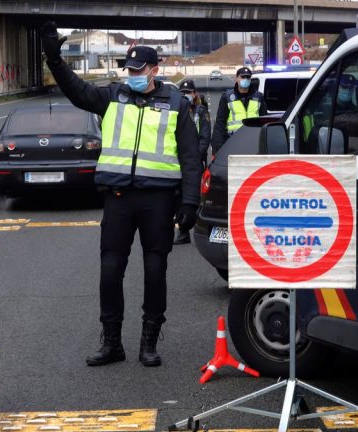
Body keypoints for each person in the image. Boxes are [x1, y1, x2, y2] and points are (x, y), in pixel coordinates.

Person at [41, 22, 201, 367]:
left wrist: (190, 201)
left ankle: (149, 343)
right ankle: (112, 342)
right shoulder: (114, 96)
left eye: (138, 70)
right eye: (128, 70)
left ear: (155, 70)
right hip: (118, 199)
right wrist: (54, 60)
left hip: (158, 201)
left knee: (155, 271)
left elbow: (191, 158)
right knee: (110, 271)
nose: (132, 75)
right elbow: (76, 90)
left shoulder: (176, 104)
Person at [174, 80, 211, 245]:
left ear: (194, 93)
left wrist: (196, 156)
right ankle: (183, 231)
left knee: (197, 197)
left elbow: (205, 136)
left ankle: (200, 227)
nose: (185, 95)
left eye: (188, 92)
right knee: (178, 195)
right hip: (176, 160)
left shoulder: (201, 112)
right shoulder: (175, 111)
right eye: (182, 92)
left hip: (195, 161)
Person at [210, 66, 267, 154]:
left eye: (248, 77)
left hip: (254, 142)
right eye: (243, 77)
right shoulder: (227, 97)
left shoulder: (258, 96)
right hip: (233, 142)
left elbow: (264, 120)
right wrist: (217, 149)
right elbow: (220, 124)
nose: (245, 79)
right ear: (237, 78)